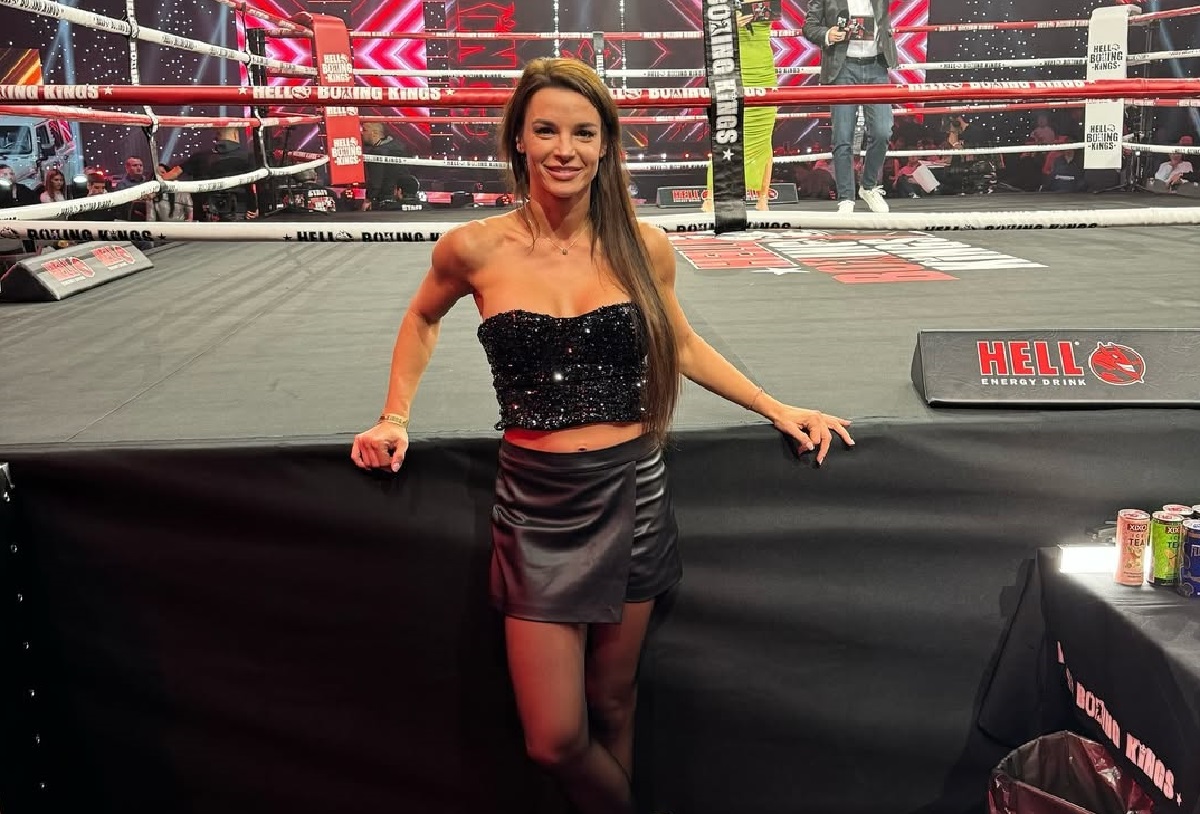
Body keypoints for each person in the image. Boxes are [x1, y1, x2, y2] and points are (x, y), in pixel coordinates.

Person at [349, 57, 853, 814]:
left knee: (615, 703)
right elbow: (422, 316)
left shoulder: (644, 247)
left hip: (632, 492)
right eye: (547, 130)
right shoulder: (473, 248)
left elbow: (680, 344)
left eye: (584, 133)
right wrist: (395, 415)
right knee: (553, 739)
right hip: (536, 504)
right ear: (519, 139)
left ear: (607, 144)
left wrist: (773, 406)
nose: (565, 149)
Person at [803, 0, 898, 213]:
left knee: (883, 131)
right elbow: (809, 27)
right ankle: (846, 197)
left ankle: (869, 186)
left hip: (877, 65)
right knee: (843, 135)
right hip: (843, 66)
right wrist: (828, 34)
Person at [702, 6, 778, 213]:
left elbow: (773, 14)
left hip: (763, 65)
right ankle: (711, 196)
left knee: (764, 135)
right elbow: (708, 30)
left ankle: (763, 198)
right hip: (731, 62)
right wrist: (728, 26)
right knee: (726, 129)